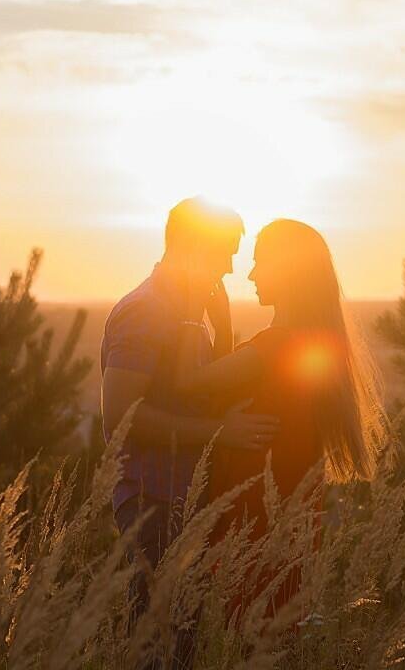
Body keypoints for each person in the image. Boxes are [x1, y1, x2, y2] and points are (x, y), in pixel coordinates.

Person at [173, 218, 387, 622]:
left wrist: (190, 308)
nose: (251, 274)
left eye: (259, 262)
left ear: (287, 273)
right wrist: (223, 326)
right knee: (274, 630)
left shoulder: (276, 344)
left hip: (258, 517)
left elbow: (189, 382)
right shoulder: (308, 339)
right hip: (291, 512)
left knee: (244, 630)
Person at [100, 197, 281, 670]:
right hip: (152, 503)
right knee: (157, 648)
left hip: (184, 502)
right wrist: (220, 434)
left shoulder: (188, 309)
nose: (228, 268)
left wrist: (221, 328)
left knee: (181, 647)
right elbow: (120, 417)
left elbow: (198, 393)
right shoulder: (146, 310)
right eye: (223, 254)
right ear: (191, 247)